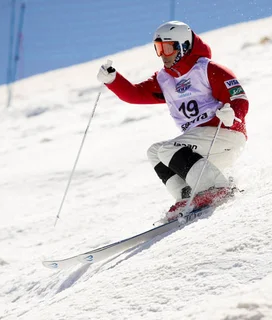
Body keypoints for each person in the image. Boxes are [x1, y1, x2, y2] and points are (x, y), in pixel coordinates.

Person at [96, 21, 248, 215]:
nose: (162, 55)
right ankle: (187, 195)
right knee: (155, 152)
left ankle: (215, 188)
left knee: (168, 149)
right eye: (158, 49)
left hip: (226, 133)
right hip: (200, 146)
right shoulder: (165, 80)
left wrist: (233, 115)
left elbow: (239, 98)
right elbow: (136, 94)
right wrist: (113, 80)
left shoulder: (207, 69)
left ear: (183, 46)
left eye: (167, 48)